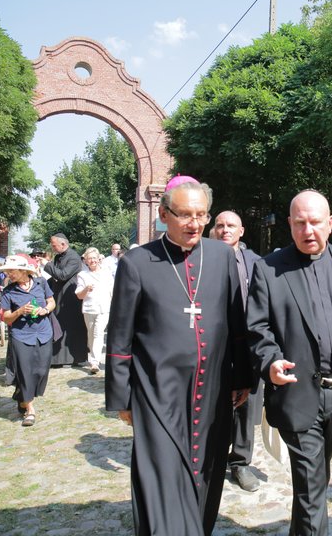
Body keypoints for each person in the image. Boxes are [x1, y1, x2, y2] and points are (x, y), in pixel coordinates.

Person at [105, 176, 251, 536]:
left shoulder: (221, 255)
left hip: (214, 388)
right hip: (157, 389)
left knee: (208, 471)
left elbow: (237, 323)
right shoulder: (137, 262)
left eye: (201, 214)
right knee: (163, 474)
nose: (195, 224)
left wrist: (243, 376)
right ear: (164, 213)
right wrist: (122, 396)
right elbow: (120, 335)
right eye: (185, 215)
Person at [247, 190, 332, 535]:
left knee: (315, 478)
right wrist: (271, 362)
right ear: (290, 225)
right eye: (300, 223)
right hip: (296, 392)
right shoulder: (268, 269)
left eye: (315, 223)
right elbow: (256, 328)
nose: (307, 230)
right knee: (312, 483)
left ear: (330, 223)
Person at [213, 210, 263, 492]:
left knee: (247, 406)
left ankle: (240, 462)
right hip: (214, 344)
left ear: (241, 230)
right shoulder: (201, 258)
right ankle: (214, 458)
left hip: (248, 344)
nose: (225, 230)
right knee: (214, 403)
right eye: (220, 225)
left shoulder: (256, 263)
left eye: (230, 225)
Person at [0, 255, 56, 428]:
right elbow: (6, 318)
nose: (9, 274)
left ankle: (21, 394)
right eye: (7, 271)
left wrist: (44, 310)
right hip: (21, 335)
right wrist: (20, 311)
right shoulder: (8, 292)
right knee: (25, 371)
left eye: (12, 271)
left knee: (41, 369)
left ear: (24, 271)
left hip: (44, 332)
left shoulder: (41, 283)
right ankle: (30, 409)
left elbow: (52, 302)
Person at [44, 234, 87, 366]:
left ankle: (75, 358)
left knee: (72, 327)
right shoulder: (58, 257)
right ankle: (57, 359)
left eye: (54, 245)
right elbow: (55, 276)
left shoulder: (74, 257)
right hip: (59, 294)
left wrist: (47, 265)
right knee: (59, 325)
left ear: (63, 244)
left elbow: (63, 275)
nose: (52, 247)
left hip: (70, 296)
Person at [75, 247, 114, 374]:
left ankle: (94, 362)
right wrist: (86, 289)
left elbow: (113, 290)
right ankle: (92, 357)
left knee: (98, 333)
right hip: (89, 308)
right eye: (89, 259)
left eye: (94, 258)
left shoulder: (107, 273)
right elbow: (79, 295)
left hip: (104, 308)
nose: (92, 261)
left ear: (98, 259)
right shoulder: (82, 275)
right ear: (85, 261)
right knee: (91, 334)